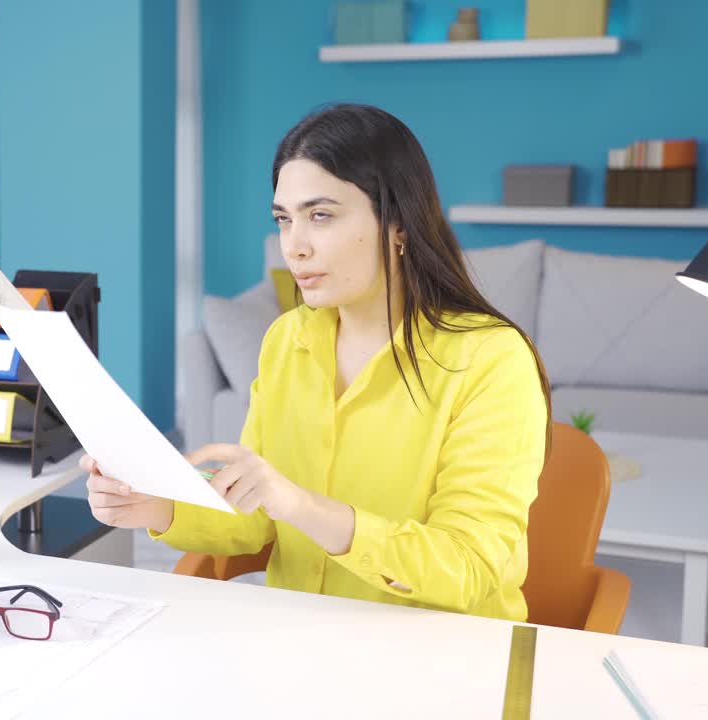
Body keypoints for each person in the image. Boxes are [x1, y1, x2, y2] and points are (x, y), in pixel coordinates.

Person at [82, 103, 551, 622]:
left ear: (398, 224)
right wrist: (154, 504)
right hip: (302, 641)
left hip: (441, 660)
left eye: (320, 216)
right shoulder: (288, 341)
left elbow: (467, 567)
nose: (293, 247)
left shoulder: (491, 359)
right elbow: (256, 517)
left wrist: (300, 505)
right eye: (284, 220)